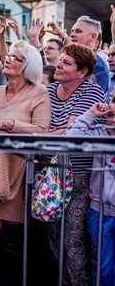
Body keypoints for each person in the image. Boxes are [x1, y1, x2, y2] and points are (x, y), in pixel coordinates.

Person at [0, 40, 51, 285]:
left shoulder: (39, 92)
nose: (7, 59)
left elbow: (41, 129)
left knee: (12, 238)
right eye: (9, 56)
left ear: (27, 66)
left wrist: (8, 125)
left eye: (14, 58)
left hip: (19, 171)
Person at [44, 43, 105, 285]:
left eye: (66, 62)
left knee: (73, 242)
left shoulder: (91, 91)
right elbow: (43, 126)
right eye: (60, 60)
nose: (58, 64)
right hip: (49, 175)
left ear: (82, 72)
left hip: (78, 176)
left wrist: (42, 133)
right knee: (54, 241)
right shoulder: (49, 91)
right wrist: (48, 132)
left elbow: (70, 132)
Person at [66, 99, 115, 285]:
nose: (112, 120)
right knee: (100, 268)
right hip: (98, 210)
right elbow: (68, 139)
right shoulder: (100, 132)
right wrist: (90, 114)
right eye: (110, 115)